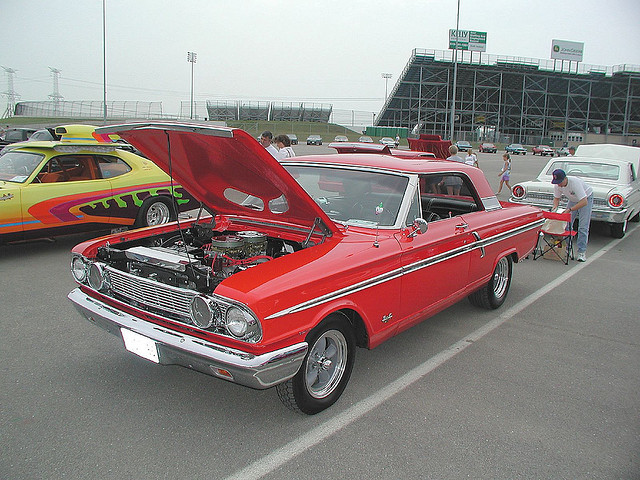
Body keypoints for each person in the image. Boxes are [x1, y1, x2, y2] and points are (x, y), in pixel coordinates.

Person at [551, 168, 593, 262]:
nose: (559, 184)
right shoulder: (558, 186)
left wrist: (570, 209)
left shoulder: (574, 183)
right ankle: (567, 248)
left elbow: (584, 201)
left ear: (565, 179)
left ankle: (581, 252)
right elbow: (556, 198)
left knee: (583, 226)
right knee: (567, 225)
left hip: (585, 199)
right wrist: (555, 208)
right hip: (573, 200)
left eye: (560, 182)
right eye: (556, 182)